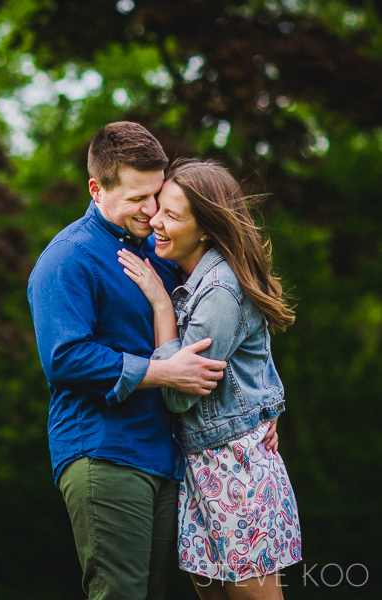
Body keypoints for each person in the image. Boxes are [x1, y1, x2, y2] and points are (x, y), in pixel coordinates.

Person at [27, 122, 263, 600]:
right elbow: (64, 358)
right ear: (96, 188)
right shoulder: (67, 259)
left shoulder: (158, 252)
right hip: (103, 451)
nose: (152, 211)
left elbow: (232, 329)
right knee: (121, 593)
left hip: (166, 455)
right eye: (138, 198)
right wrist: (160, 372)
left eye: (156, 195)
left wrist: (264, 411)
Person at [117, 158, 301, 599]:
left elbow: (181, 398)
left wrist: (162, 307)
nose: (154, 221)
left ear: (205, 229)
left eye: (172, 216)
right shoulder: (200, 280)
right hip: (206, 469)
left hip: (234, 472)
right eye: (159, 207)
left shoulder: (217, 290)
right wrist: (270, 403)